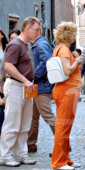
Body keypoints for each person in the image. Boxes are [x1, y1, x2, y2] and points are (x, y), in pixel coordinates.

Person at [0, 17, 37, 167]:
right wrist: (25, 80)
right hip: (16, 86)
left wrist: (29, 82)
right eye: (36, 30)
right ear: (27, 29)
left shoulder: (26, 45)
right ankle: (6, 156)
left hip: (26, 87)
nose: (38, 33)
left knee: (25, 123)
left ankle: (21, 154)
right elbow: (8, 66)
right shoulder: (15, 44)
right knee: (12, 122)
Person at [51, 22, 83, 170]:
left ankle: (65, 158)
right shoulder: (64, 49)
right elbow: (68, 70)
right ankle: (59, 161)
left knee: (65, 126)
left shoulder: (60, 48)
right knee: (63, 126)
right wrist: (77, 60)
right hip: (66, 91)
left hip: (66, 90)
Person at [27, 22, 56, 153]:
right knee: (33, 116)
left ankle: (63, 144)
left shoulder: (41, 44)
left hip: (41, 86)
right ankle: (30, 144)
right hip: (36, 86)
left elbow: (46, 62)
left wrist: (33, 75)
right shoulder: (37, 45)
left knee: (48, 115)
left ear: (37, 32)